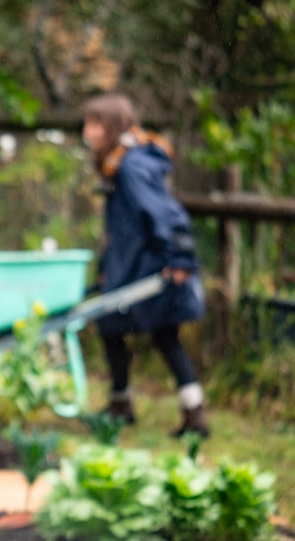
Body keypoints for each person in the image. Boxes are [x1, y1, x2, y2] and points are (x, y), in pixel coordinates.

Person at [81, 93, 209, 438]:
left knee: (156, 333)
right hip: (130, 263)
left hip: (150, 264)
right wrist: (109, 268)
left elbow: (164, 214)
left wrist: (180, 259)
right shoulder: (119, 163)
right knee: (117, 327)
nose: (87, 132)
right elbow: (123, 225)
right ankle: (132, 404)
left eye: (94, 125)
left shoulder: (132, 166)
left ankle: (190, 413)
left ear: (112, 127)